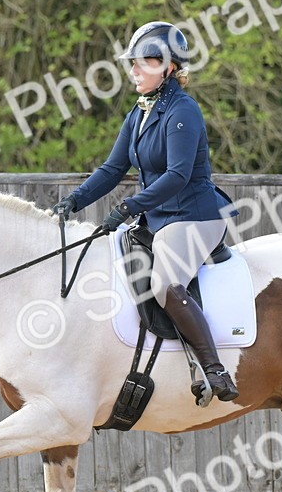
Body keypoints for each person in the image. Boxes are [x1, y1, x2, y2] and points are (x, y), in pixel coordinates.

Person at [52, 21, 239, 402]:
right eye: (132, 63)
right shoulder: (140, 112)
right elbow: (112, 168)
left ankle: (215, 370)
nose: (133, 70)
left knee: (165, 284)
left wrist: (126, 207)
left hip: (193, 216)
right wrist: (75, 200)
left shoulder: (183, 111)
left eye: (142, 62)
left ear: (168, 67)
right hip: (158, 217)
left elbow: (177, 175)